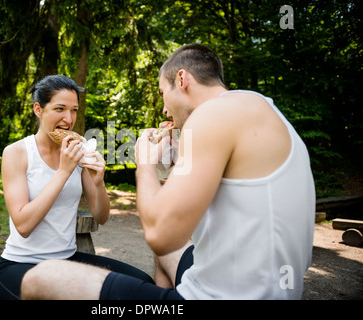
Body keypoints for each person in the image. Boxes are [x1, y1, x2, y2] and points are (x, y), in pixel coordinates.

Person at [20, 44, 315, 300]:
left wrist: (145, 162)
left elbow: (160, 233)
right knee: (167, 255)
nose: (163, 110)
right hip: (274, 291)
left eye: (163, 92)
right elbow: (193, 203)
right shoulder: (260, 108)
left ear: (182, 79)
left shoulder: (210, 114)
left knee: (38, 278)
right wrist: (174, 159)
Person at [0, 75, 153, 300]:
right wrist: (64, 171)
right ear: (38, 109)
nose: (68, 119)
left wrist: (98, 182)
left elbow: (101, 216)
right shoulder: (16, 153)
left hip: (68, 260)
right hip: (21, 265)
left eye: (74, 110)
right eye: (60, 109)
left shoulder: (78, 147)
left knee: (143, 284)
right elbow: (23, 225)